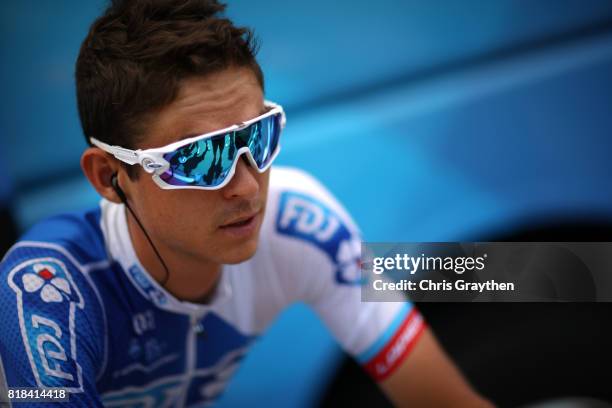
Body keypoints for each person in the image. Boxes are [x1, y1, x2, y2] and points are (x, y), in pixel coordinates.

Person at [0, 1, 493, 406]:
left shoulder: (298, 220)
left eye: (258, 138)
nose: (246, 187)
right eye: (200, 157)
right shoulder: (48, 289)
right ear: (111, 177)